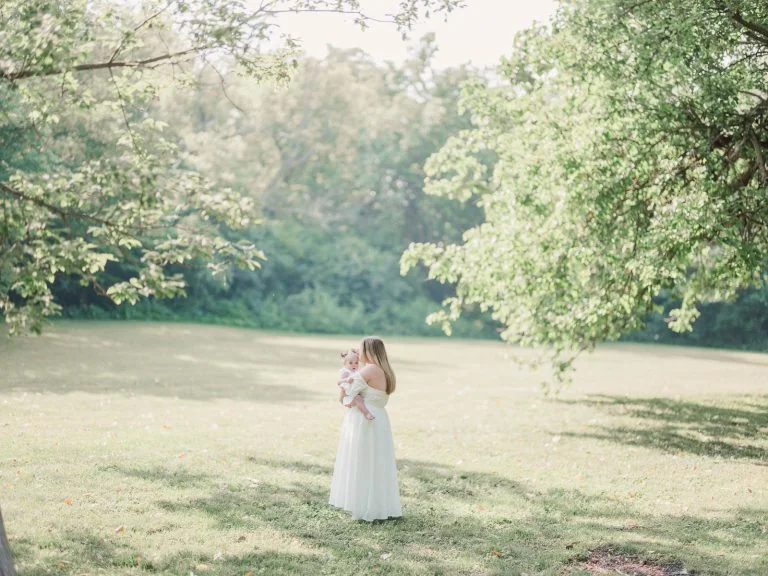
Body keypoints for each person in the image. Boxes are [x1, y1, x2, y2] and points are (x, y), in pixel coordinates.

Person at [329, 336, 402, 521]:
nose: (358, 352)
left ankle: (364, 507)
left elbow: (345, 393)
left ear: (368, 351)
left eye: (361, 349)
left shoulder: (369, 369)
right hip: (379, 417)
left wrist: (342, 386)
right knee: (376, 462)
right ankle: (377, 505)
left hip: (364, 419)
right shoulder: (385, 370)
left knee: (363, 461)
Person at [338, 348, 375, 421]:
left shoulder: (357, 372)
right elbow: (339, 382)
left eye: (356, 363)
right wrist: (346, 380)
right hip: (348, 396)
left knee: (361, 398)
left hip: (355, 393)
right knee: (358, 399)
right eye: (350, 363)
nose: (354, 365)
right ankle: (366, 413)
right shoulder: (346, 373)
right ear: (345, 364)